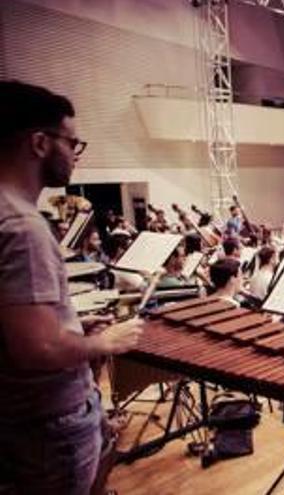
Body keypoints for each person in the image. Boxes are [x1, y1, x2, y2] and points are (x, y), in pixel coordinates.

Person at [0, 80, 142, 494]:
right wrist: (105, 343)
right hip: (47, 423)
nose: (76, 155)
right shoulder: (23, 227)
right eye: (73, 143)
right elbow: (38, 348)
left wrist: (72, 323)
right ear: (40, 143)